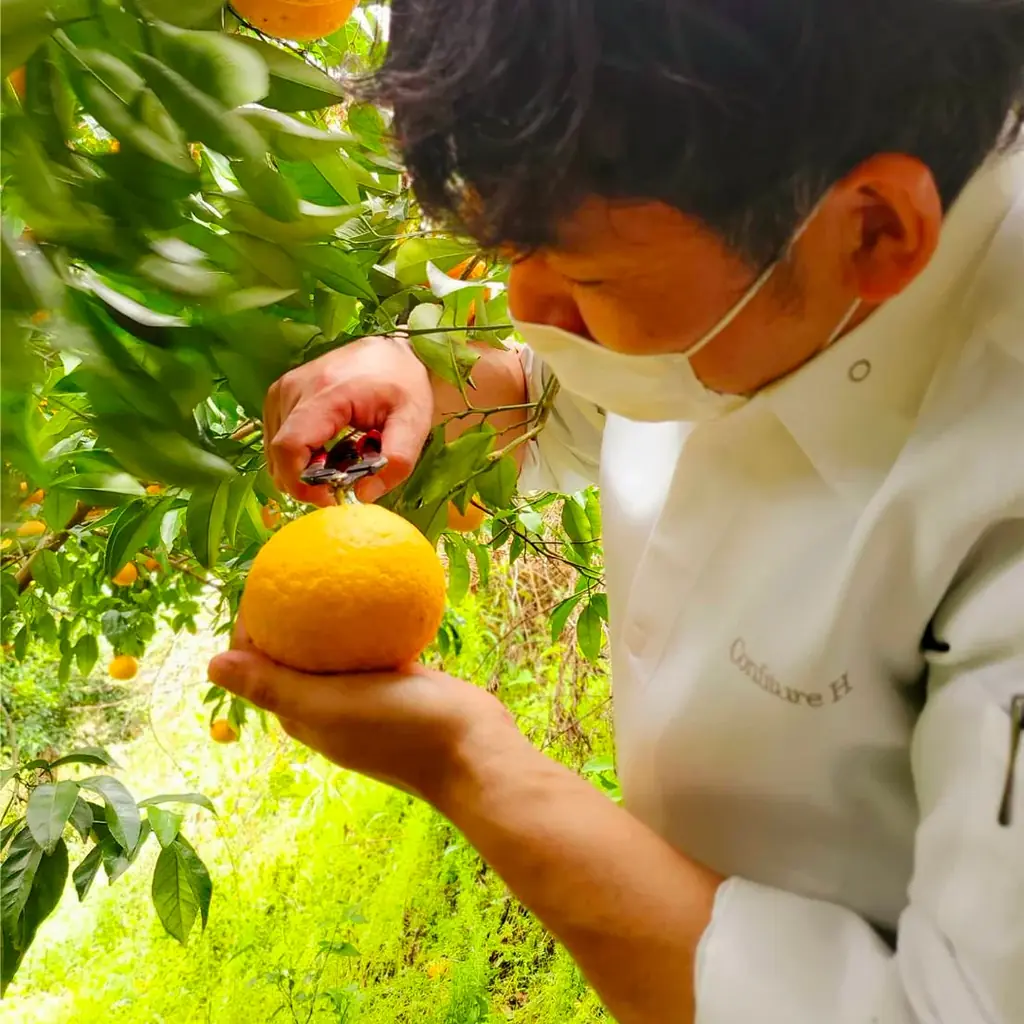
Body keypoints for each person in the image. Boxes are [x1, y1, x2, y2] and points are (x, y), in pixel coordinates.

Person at [209, 3, 1024, 1021]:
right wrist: (430, 380)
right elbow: (590, 397)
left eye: (585, 277)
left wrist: (471, 767)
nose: (526, 308)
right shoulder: (762, 208)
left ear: (872, 230)